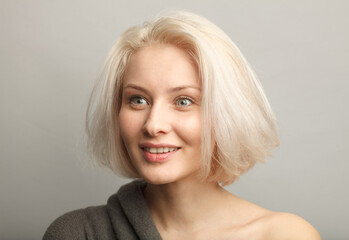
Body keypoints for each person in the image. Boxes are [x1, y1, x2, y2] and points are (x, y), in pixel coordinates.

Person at [43, 10, 321, 240]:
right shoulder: (77, 233)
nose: (153, 125)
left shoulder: (285, 235)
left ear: (226, 114)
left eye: (184, 101)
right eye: (138, 100)